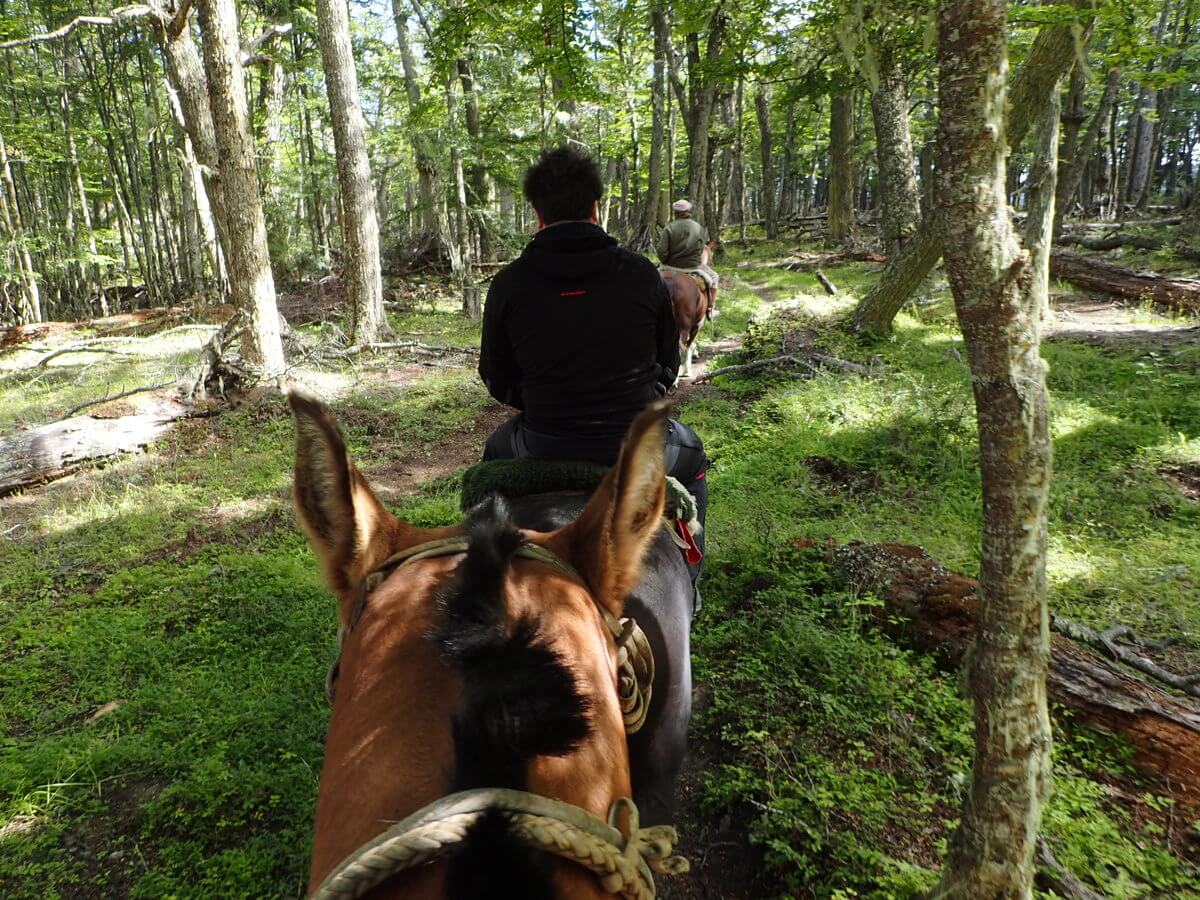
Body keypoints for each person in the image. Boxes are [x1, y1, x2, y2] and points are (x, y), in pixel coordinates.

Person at [478, 146, 708, 591]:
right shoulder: (640, 273)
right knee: (693, 454)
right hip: (637, 442)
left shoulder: (510, 283)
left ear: (537, 214)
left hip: (541, 444)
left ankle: (482, 580)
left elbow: (496, 375)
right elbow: (668, 361)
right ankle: (692, 577)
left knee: (492, 460)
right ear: (596, 207)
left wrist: (538, 400)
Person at [657, 199, 719, 317]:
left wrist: (664, 260)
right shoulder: (699, 228)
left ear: (675, 212)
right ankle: (710, 309)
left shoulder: (668, 228)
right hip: (693, 267)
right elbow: (701, 249)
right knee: (714, 278)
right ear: (689, 211)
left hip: (669, 266)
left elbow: (662, 251)